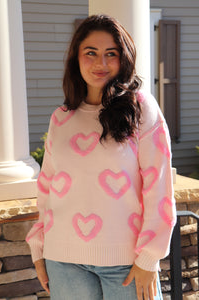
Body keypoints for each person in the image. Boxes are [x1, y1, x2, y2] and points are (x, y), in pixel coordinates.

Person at [26, 14, 176, 300]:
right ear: (76, 58)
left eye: (111, 54)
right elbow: (47, 188)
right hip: (63, 260)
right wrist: (39, 250)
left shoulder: (142, 109)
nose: (101, 64)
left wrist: (149, 258)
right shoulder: (61, 118)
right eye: (90, 53)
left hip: (128, 263)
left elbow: (159, 189)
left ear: (124, 59)